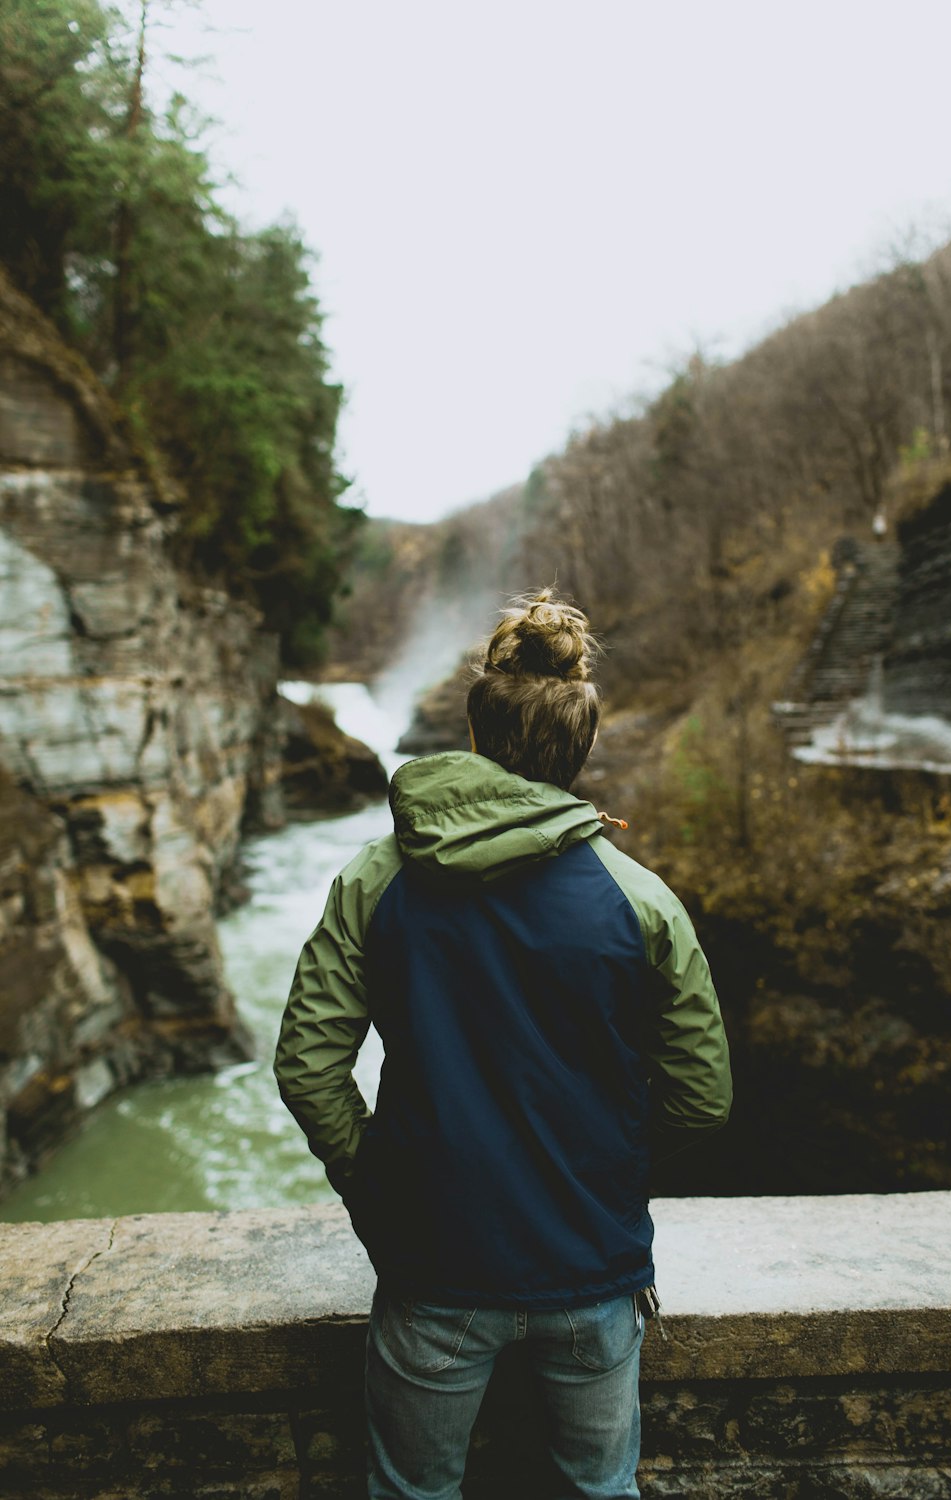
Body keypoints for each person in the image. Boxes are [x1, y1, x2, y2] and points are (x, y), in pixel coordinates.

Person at [274, 589, 732, 1500]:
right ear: (582, 744)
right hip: (591, 1267)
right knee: (601, 1491)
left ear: (477, 737)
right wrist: (603, 1173)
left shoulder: (376, 878)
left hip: (433, 1261)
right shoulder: (641, 899)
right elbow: (702, 1098)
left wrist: (375, 1182)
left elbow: (307, 1065)